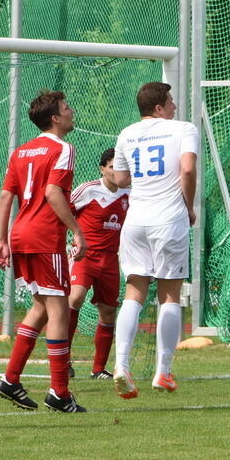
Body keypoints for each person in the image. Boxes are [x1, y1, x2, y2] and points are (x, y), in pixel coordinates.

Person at [0, 90, 87, 412]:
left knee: (40, 307)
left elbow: (6, 197)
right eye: (66, 107)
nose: (72, 111)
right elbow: (52, 193)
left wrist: (1, 240)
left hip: (20, 235)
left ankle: (10, 379)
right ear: (55, 118)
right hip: (45, 237)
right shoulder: (63, 148)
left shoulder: (20, 151)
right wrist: (76, 231)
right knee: (59, 310)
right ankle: (59, 392)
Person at [111, 82, 198, 399]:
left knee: (134, 292)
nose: (174, 106)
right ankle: (163, 371)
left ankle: (121, 366)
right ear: (159, 107)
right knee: (170, 295)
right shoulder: (184, 129)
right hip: (168, 219)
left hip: (135, 221)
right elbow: (187, 169)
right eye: (171, 101)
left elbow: (120, 179)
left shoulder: (126, 134)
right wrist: (188, 206)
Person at [66, 148, 130, 379]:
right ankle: (64, 359)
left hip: (111, 259)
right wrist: (71, 238)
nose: (116, 171)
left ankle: (98, 369)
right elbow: (63, 211)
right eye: (112, 166)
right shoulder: (88, 189)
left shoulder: (129, 193)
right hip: (85, 255)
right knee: (75, 298)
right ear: (102, 168)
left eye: (120, 167)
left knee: (108, 311)